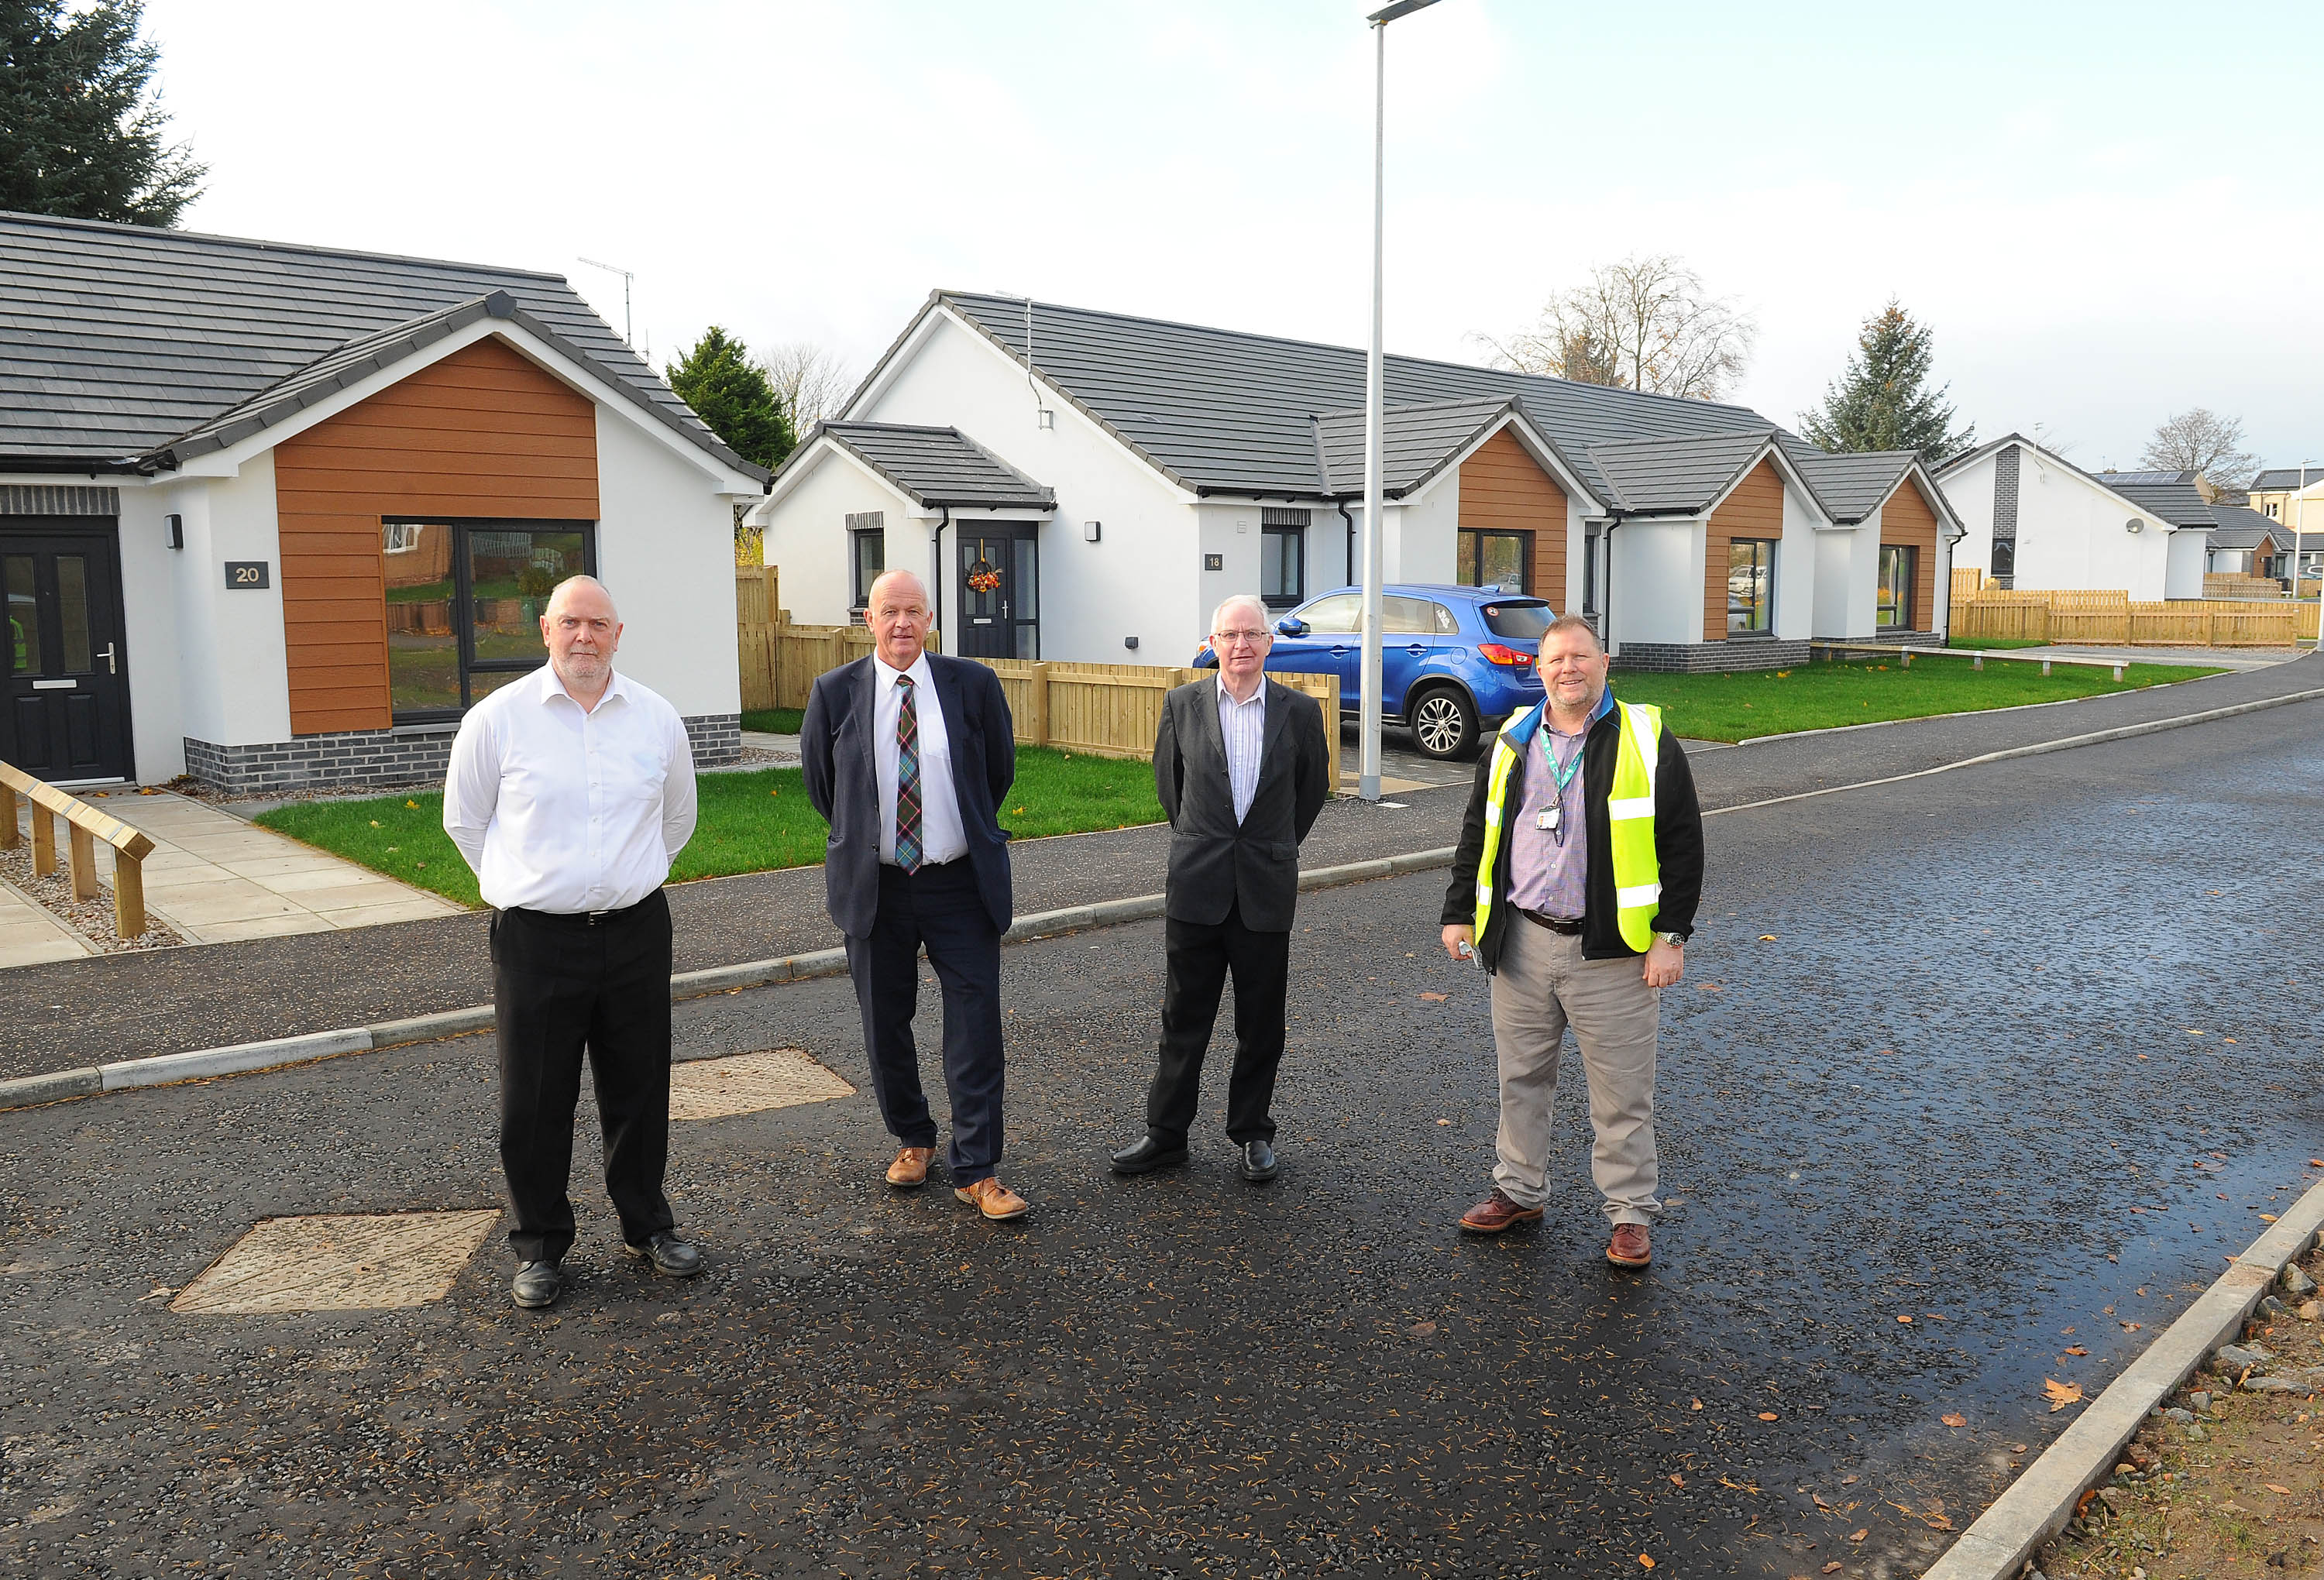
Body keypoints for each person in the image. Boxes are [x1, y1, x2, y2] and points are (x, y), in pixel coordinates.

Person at [443, 575, 703, 1310]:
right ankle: (540, 1246)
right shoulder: (497, 720)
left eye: (599, 624)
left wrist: (623, 881)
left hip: (635, 935)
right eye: (570, 624)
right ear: (545, 632)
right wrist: (531, 887)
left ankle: (647, 1225)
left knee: (641, 1089)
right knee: (534, 1100)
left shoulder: (655, 719)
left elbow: (676, 820)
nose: (584, 636)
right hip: (535, 942)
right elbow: (466, 824)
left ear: (618, 634)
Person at [1438, 613, 1703, 1267]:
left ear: (1604, 663)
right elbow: (1480, 830)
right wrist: (1458, 912)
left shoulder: (1646, 736)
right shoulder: (1513, 738)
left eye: (1580, 657)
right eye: (1555, 660)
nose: (1568, 670)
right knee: (1520, 1080)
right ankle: (1519, 1190)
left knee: (1621, 1095)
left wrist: (1670, 935)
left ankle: (1630, 1214)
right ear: (1539, 669)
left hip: (1613, 952)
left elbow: (1684, 845)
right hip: (1523, 942)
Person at [800, 569, 1029, 1220]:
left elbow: (996, 773)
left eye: (914, 612)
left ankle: (977, 1168)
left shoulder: (972, 685)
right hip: (877, 888)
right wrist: (871, 842)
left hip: (958, 883)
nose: (902, 623)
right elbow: (827, 789)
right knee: (885, 1024)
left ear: (931, 620)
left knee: (976, 1024)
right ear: (868, 620)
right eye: (889, 612)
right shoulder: (834, 692)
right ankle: (914, 1137)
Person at [1111, 592, 1332, 1183]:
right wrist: (1206, 841)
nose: (1240, 645)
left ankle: (1253, 1133)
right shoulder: (1182, 704)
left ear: (1269, 643)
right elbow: (1171, 791)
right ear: (1212, 644)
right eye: (1229, 635)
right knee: (1183, 1017)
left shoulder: (1301, 713)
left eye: (1252, 634)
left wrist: (1271, 845)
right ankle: (1165, 1135)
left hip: (1265, 887)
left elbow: (1309, 796)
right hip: (1197, 886)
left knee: (1261, 1022)